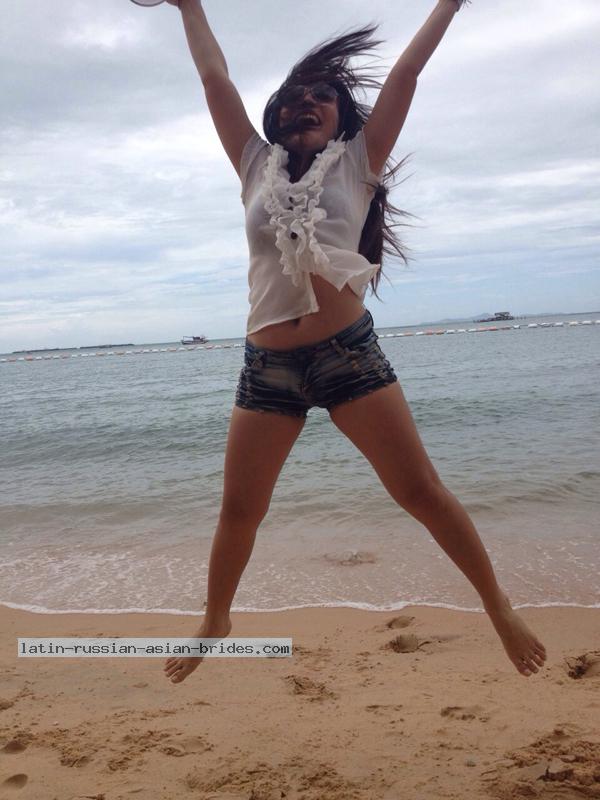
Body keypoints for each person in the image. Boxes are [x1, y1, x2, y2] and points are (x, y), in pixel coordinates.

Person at [163, 0, 547, 683]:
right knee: (241, 510)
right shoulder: (254, 164)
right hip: (267, 366)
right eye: (293, 97)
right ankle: (216, 617)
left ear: (341, 116)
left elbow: (408, 73)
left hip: (349, 357)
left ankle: (499, 607)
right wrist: (189, 6)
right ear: (275, 116)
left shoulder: (358, 163)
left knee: (420, 492)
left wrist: (450, 4)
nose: (306, 103)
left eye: (323, 96)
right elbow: (215, 80)